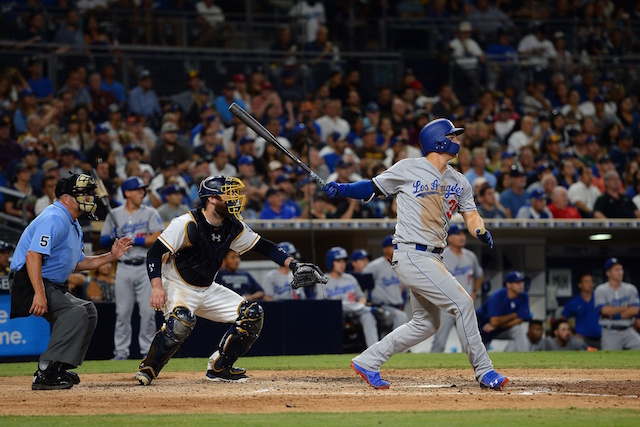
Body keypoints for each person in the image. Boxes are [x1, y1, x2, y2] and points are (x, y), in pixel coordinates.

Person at [322, 118, 507, 390]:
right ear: (438, 140)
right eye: (452, 136)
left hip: (434, 257)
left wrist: (479, 230)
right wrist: (343, 189)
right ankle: (484, 371)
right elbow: (373, 187)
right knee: (463, 303)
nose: (457, 140)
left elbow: (471, 215)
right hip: (411, 253)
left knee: (426, 323)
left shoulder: (460, 180)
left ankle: (368, 360)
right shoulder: (410, 167)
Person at [134, 176, 326, 385]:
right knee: (182, 321)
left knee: (252, 314)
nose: (235, 198)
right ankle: (149, 368)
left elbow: (264, 246)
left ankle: (220, 367)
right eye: (229, 193)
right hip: (177, 285)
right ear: (212, 199)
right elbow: (154, 252)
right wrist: (156, 287)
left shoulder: (233, 226)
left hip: (207, 288)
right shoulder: (186, 223)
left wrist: (293, 264)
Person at [9, 174, 132, 390]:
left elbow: (78, 263)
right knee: (73, 312)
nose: (90, 197)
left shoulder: (71, 222)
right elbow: (33, 256)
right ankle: (45, 371)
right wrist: (39, 293)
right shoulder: (55, 217)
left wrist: (111, 256)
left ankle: (59, 367)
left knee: (88, 310)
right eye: (84, 193)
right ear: (66, 198)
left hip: (48, 281)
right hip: (28, 280)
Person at [100, 177, 164, 360]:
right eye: (138, 190)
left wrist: (133, 239)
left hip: (144, 267)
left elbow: (157, 237)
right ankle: (121, 353)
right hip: (123, 267)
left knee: (147, 312)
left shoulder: (150, 212)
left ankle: (147, 352)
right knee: (122, 312)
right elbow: (103, 239)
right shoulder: (115, 214)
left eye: (143, 190)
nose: (142, 193)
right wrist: (115, 238)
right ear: (127, 193)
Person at [431, 224, 483, 353]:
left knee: (470, 341)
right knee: (439, 341)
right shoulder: (441, 256)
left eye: (463, 234)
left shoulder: (470, 256)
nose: (462, 237)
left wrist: (475, 292)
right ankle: (430, 369)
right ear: (449, 238)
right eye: (458, 234)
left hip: (465, 306)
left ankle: (468, 369)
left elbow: (479, 275)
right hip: (446, 306)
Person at [322, 247, 379, 349]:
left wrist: (360, 305)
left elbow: (361, 297)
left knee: (367, 315)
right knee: (340, 303)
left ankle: (374, 350)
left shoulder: (350, 279)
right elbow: (321, 303)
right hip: (335, 313)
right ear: (331, 262)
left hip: (354, 313)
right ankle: (367, 309)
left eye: (344, 261)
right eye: (338, 261)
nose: (342, 264)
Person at [477, 271, 531, 352]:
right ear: (508, 285)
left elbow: (520, 320)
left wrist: (497, 325)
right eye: (517, 282)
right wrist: (514, 315)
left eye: (521, 282)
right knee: (479, 354)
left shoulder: (524, 296)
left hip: (500, 328)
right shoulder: (498, 296)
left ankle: (525, 358)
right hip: (483, 328)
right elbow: (493, 321)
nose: (521, 285)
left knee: (518, 330)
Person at [362, 236, 407, 333]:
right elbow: (362, 284)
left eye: (396, 246)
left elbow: (404, 289)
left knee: (387, 332)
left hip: (396, 307)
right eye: (392, 246)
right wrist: (367, 301)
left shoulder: (401, 266)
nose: (395, 248)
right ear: (385, 249)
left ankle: (394, 346)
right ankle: (397, 347)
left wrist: (402, 304)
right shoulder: (374, 266)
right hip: (381, 307)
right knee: (401, 317)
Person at [594, 258, 640, 350]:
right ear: (608, 273)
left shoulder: (630, 289)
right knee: (608, 361)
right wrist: (625, 308)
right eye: (616, 270)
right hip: (610, 332)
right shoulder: (601, 290)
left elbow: (635, 310)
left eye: (621, 269)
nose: (620, 272)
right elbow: (605, 311)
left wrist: (615, 315)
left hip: (628, 330)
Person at [561, 273, 602, 349]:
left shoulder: (599, 299)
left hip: (601, 338)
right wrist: (571, 332)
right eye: (586, 282)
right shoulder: (574, 302)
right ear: (580, 285)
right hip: (582, 339)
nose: (590, 284)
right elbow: (563, 319)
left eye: (591, 281)